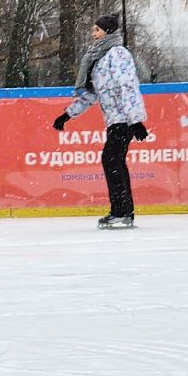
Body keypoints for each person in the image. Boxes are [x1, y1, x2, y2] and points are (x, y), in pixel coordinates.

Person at [53, 13, 151, 229]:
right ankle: (123, 211)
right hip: (116, 120)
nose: (93, 34)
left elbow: (127, 85)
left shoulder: (117, 54)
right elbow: (92, 94)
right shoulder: (98, 59)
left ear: (107, 31)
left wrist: (135, 121)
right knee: (114, 161)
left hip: (124, 119)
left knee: (112, 160)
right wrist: (67, 115)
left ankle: (121, 212)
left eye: (96, 30)